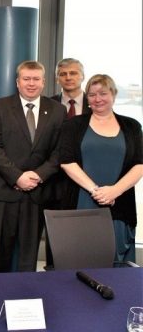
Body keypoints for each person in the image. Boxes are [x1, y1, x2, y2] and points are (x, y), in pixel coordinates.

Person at [0, 61, 66, 272]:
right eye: (26, 78)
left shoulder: (58, 110)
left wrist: (38, 176)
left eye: (36, 79)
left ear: (43, 82)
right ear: (17, 82)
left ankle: (26, 292)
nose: (31, 83)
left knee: (29, 256)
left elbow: (60, 151)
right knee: (1, 253)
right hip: (5, 192)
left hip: (39, 192)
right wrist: (17, 177)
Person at [59, 74, 142, 264]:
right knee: (79, 260)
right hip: (81, 203)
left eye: (103, 93)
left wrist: (115, 191)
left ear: (113, 95)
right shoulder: (74, 125)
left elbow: (139, 164)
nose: (98, 99)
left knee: (116, 264)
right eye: (92, 94)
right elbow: (66, 161)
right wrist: (96, 190)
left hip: (119, 206)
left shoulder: (132, 126)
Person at [46, 57, 91, 266]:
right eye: (63, 74)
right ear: (57, 78)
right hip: (54, 183)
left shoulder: (96, 103)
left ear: (82, 76)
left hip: (87, 183)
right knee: (55, 242)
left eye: (73, 73)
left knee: (86, 240)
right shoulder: (47, 105)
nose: (68, 77)